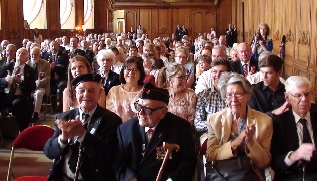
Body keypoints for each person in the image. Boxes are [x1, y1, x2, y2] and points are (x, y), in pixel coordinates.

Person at [44, 74, 122, 181]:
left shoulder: (111, 120)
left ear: (99, 94)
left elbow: (107, 155)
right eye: (81, 91)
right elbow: (49, 152)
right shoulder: (64, 117)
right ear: (76, 94)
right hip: (62, 178)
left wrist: (83, 135)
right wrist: (63, 138)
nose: (86, 95)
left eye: (91, 91)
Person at [113, 82, 196, 181]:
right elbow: (119, 163)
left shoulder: (181, 128)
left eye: (147, 110)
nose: (140, 113)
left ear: (163, 112)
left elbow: (187, 163)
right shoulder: (125, 130)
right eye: (138, 107)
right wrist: (130, 179)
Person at [205, 72, 272, 181]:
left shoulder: (265, 121)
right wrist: (237, 142)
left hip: (250, 175)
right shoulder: (214, 120)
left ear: (248, 96)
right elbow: (211, 155)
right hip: (221, 175)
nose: (234, 100)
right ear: (225, 98)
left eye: (238, 94)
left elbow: (264, 163)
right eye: (229, 95)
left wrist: (251, 142)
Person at [271, 76, 317, 180]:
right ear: (287, 97)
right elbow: (274, 163)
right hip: (292, 175)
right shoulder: (278, 123)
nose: (304, 99)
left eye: (307, 94)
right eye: (298, 95)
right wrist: (294, 155)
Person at [106, 57, 145, 122]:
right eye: (128, 69)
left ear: (140, 74)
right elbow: (107, 114)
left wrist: (132, 116)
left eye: (135, 70)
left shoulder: (145, 92)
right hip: (115, 127)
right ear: (123, 73)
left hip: (137, 129)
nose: (131, 73)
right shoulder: (114, 90)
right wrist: (117, 115)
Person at [7, 48, 36, 132]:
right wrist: (8, 79)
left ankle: (21, 130)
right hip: (7, 94)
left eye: (23, 53)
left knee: (19, 104)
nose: (20, 54)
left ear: (27, 58)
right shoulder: (7, 66)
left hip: (22, 96)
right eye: (18, 52)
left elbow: (32, 87)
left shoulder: (30, 71)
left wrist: (20, 82)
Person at [27, 47, 50, 122]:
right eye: (32, 55)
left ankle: (36, 114)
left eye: (35, 55)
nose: (33, 56)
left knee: (38, 94)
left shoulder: (45, 64)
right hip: (30, 86)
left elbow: (47, 78)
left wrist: (39, 82)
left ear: (39, 55)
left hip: (42, 87)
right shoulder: (27, 64)